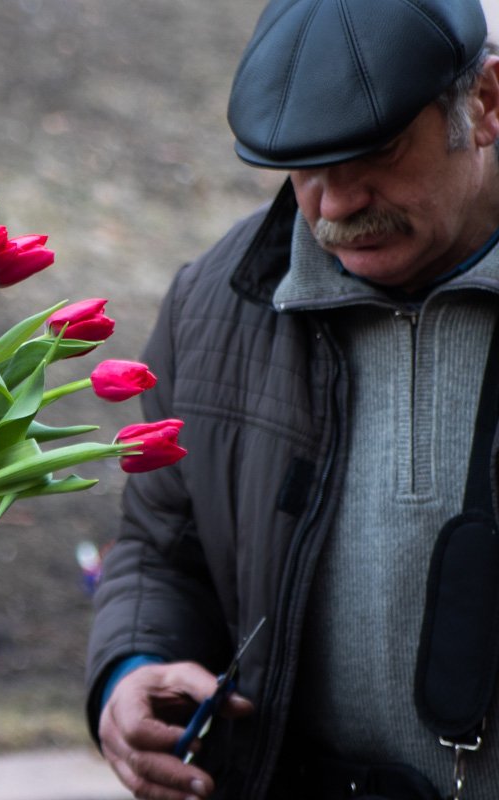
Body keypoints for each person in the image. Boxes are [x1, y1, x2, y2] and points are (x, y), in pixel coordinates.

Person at [86, 0, 499, 798]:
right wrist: (130, 669)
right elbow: (161, 548)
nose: (337, 205)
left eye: (375, 150)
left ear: (484, 103)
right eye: (306, 165)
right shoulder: (212, 308)